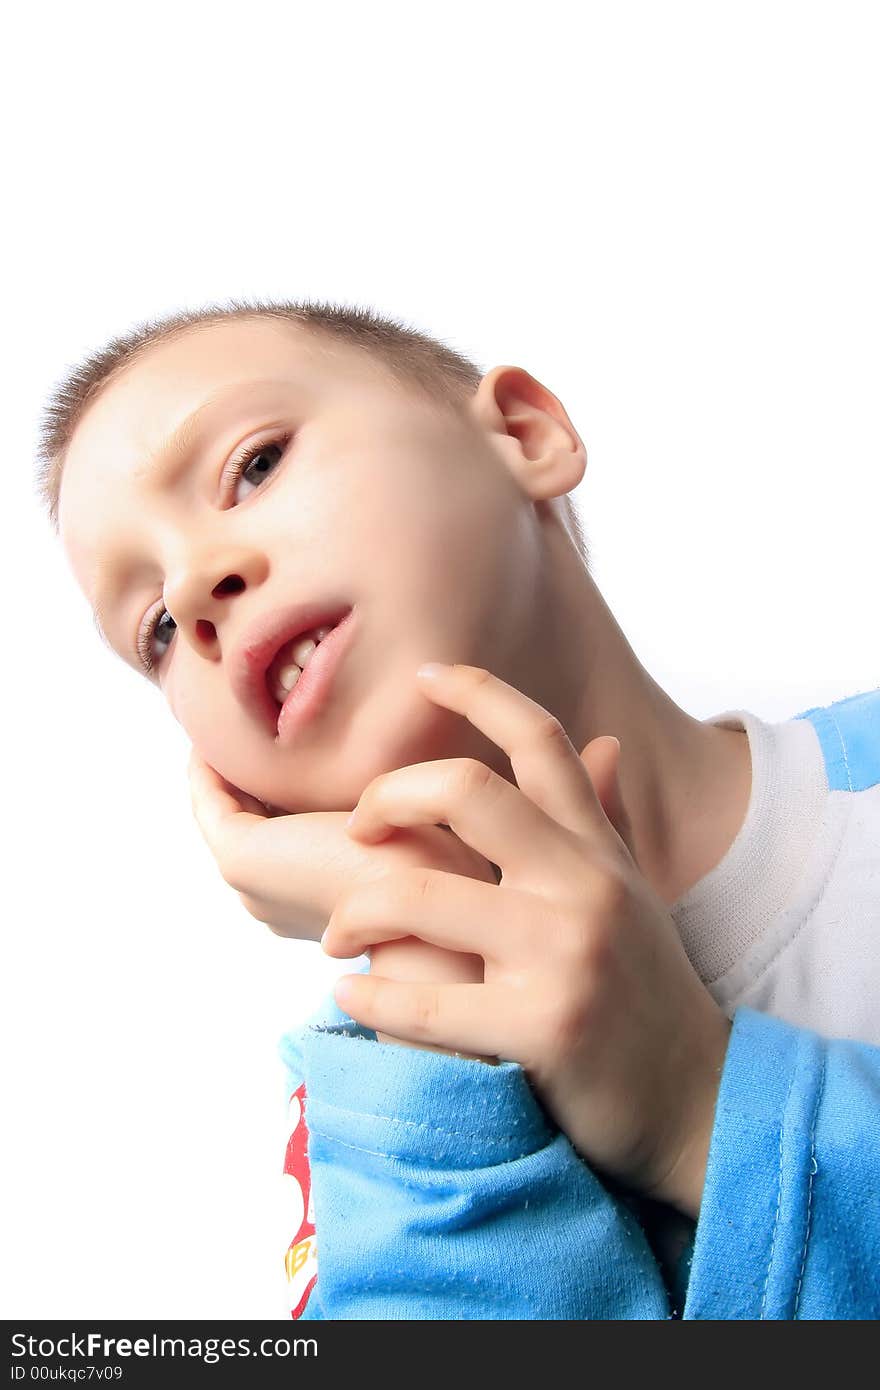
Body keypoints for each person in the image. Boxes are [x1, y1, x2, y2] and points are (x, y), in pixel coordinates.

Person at [38, 298, 880, 1319]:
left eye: (254, 465)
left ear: (523, 436)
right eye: (157, 628)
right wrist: (422, 955)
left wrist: (696, 1105)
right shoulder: (383, 1133)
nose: (197, 589)